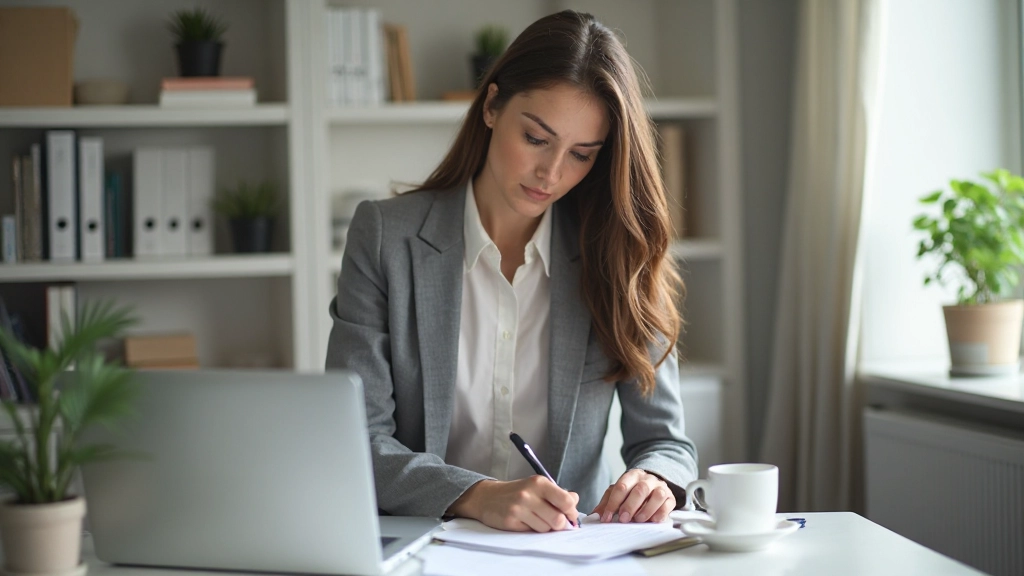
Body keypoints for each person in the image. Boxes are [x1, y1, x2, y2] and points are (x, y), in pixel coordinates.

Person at [326, 9, 697, 533]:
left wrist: (654, 481)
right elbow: (357, 437)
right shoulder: (386, 237)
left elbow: (667, 443)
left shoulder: (617, 252)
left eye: (582, 155)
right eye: (537, 139)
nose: (552, 173)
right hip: (424, 543)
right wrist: (476, 495)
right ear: (494, 105)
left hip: (570, 552)